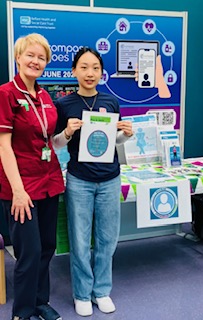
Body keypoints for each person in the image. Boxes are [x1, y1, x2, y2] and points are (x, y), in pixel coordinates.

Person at [54, 47, 133, 317]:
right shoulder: (64, 104)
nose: (90, 73)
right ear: (74, 71)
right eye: (84, 67)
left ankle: (101, 291)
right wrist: (66, 132)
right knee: (79, 240)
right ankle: (81, 293)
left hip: (110, 178)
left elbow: (115, 142)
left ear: (101, 72)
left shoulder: (111, 102)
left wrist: (126, 134)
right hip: (79, 180)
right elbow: (55, 145)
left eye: (95, 68)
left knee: (107, 239)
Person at [0, 33, 64, 320]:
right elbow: (3, 145)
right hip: (21, 187)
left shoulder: (45, 95)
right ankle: (22, 312)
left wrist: (67, 135)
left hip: (49, 181)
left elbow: (47, 139)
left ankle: (40, 302)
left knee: (47, 246)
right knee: (29, 252)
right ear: (18, 57)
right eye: (30, 55)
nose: (35, 61)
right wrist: (18, 190)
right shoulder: (5, 94)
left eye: (41, 58)